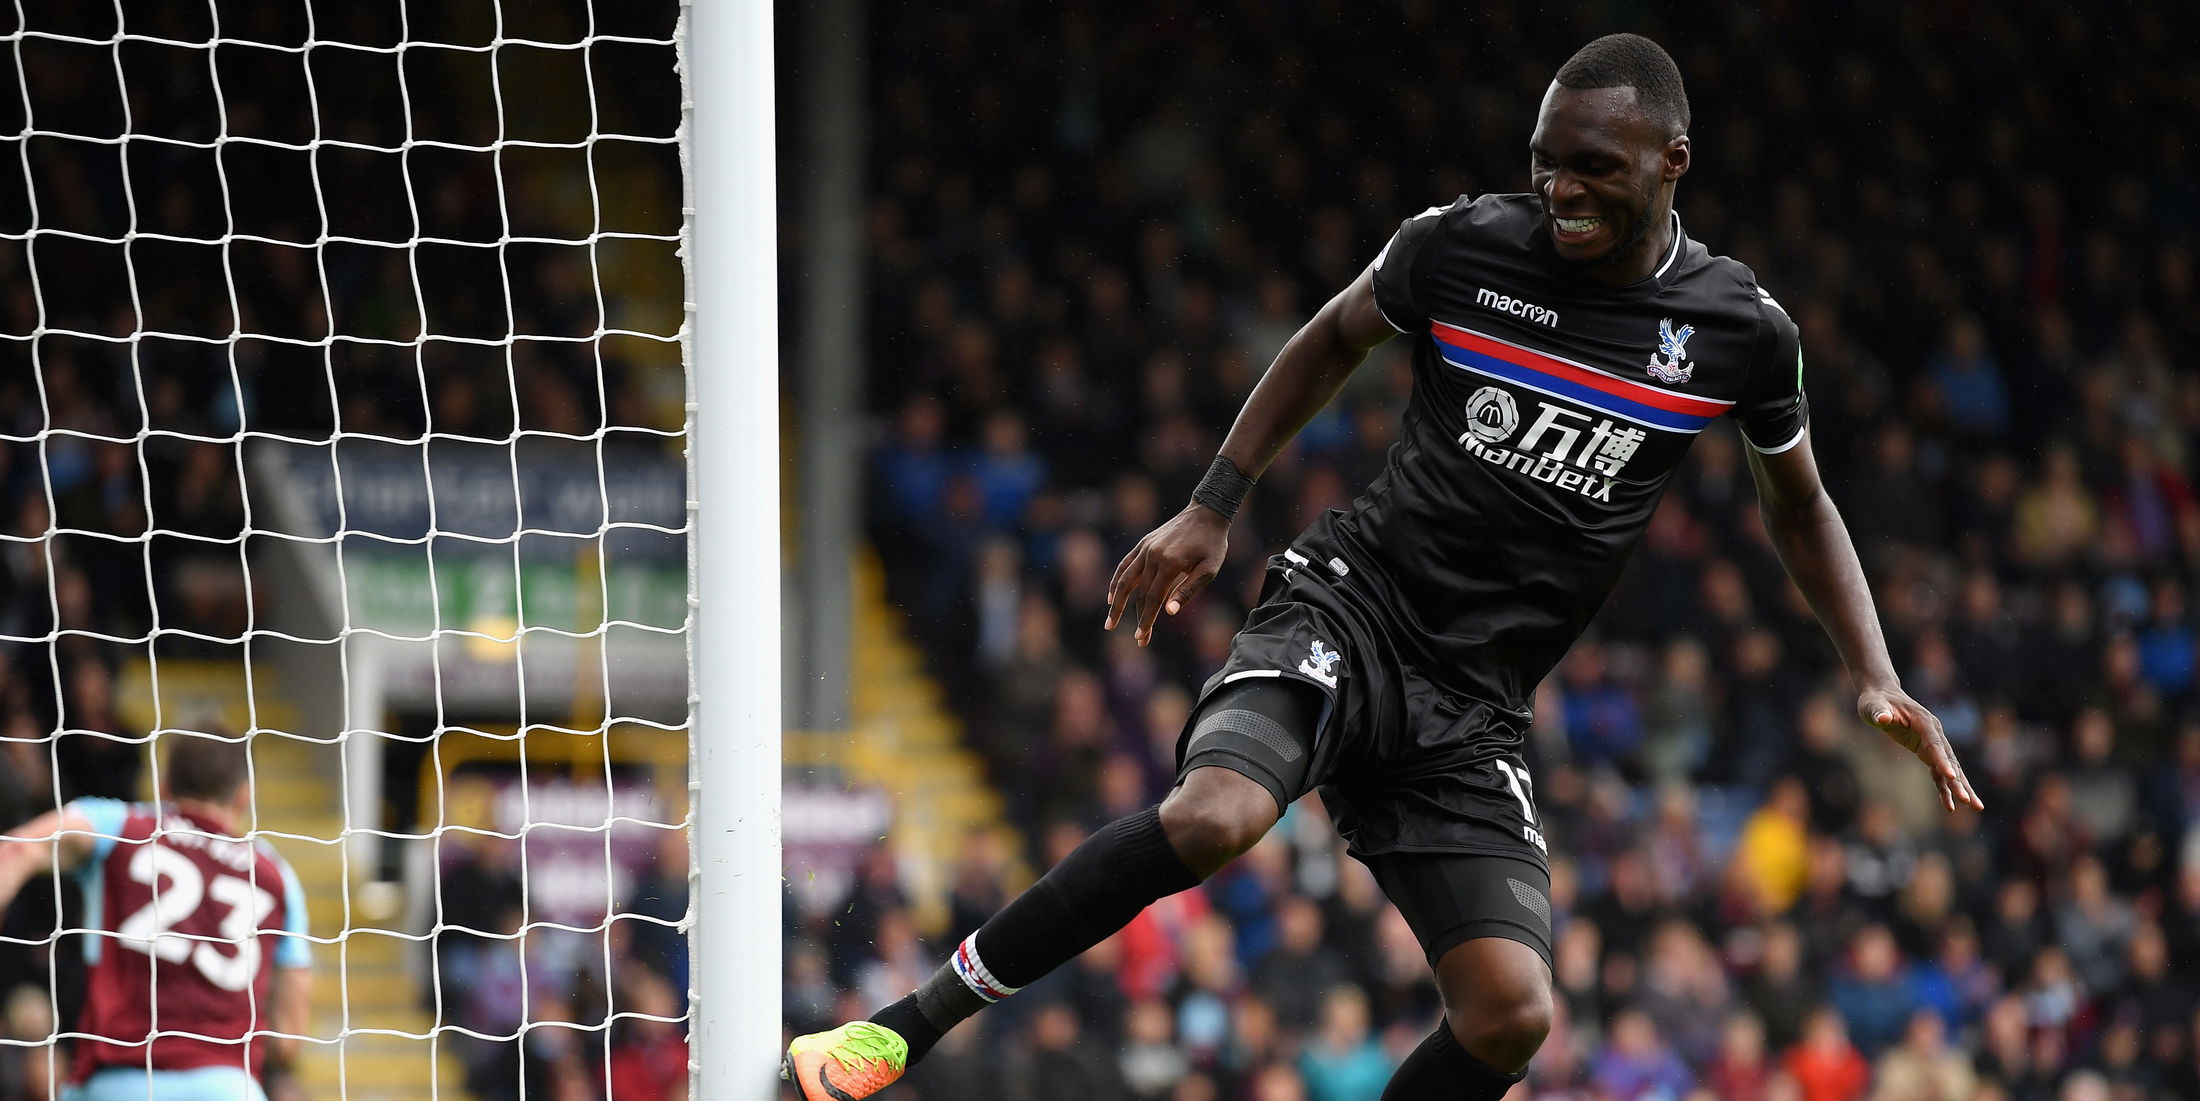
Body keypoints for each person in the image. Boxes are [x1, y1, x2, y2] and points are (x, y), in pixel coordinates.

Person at [785, 32, 1980, 1100]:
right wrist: (1211, 507)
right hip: (1349, 608)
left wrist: (1870, 670)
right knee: (1214, 817)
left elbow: (1803, 503)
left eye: (1593, 168)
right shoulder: (1460, 248)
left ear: (1673, 160)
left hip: (1472, 707)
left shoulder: (1738, 332)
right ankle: (899, 1032)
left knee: (1511, 1018)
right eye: (1544, 159)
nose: (1559, 188)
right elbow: (1328, 337)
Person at [0, 732, 312, 1101]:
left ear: (163, 786)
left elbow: (19, 849)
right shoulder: (277, 874)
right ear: (244, 797)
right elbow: (289, 1035)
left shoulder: (120, 826)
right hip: (228, 1087)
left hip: (121, 1083)